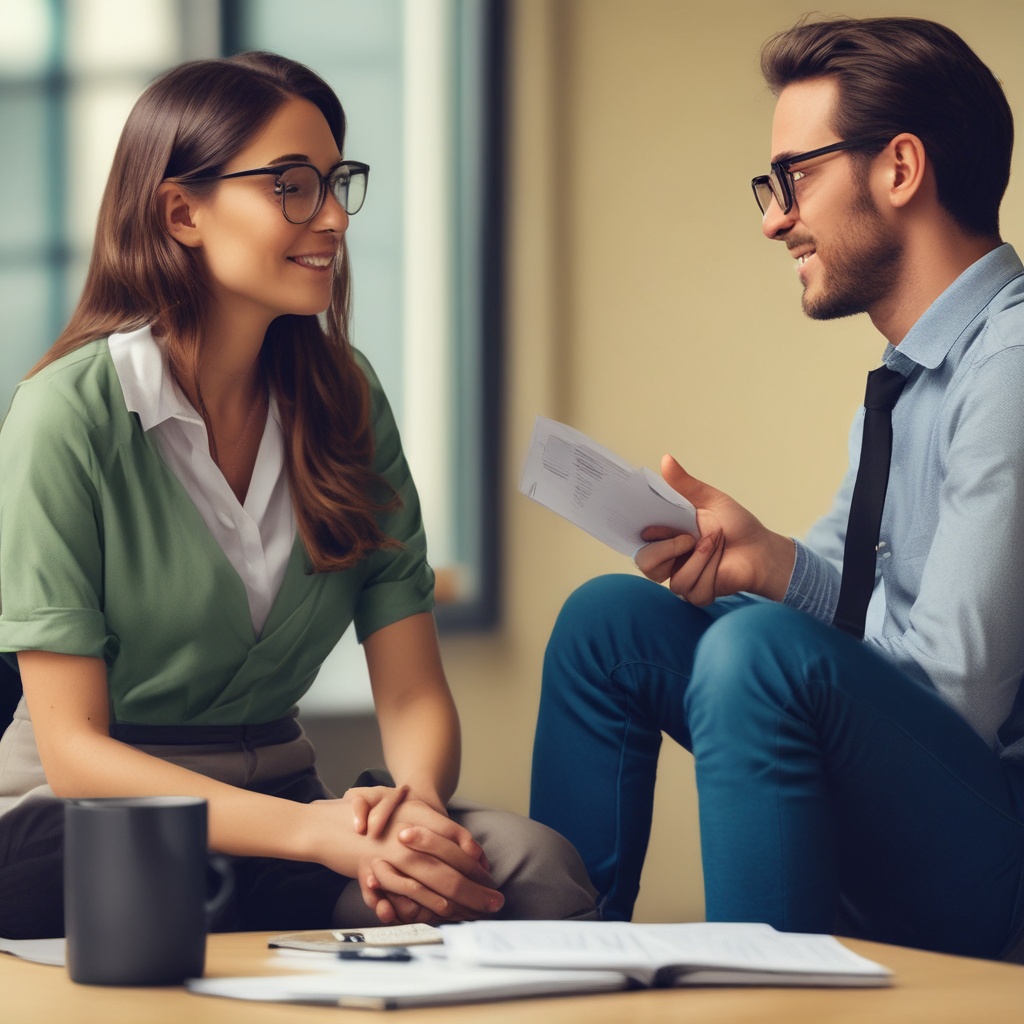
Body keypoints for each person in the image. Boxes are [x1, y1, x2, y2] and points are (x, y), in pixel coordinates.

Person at [0, 50, 596, 939]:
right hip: (89, 819)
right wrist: (317, 837)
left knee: (530, 868)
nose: (332, 218)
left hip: (292, 816)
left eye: (334, 182)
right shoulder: (67, 415)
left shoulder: (347, 399)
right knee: (152, 884)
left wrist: (414, 817)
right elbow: (80, 757)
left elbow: (411, 692)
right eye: (290, 185)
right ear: (181, 211)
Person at [530, 16, 1024, 962]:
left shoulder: (1009, 367)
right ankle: (550, 965)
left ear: (900, 168)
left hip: (992, 849)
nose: (773, 216)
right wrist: (765, 561)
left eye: (794, 177)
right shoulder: (908, 376)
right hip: (921, 795)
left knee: (756, 652)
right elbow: (846, 593)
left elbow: (953, 695)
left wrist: (779, 619)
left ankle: (772, 994)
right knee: (609, 627)